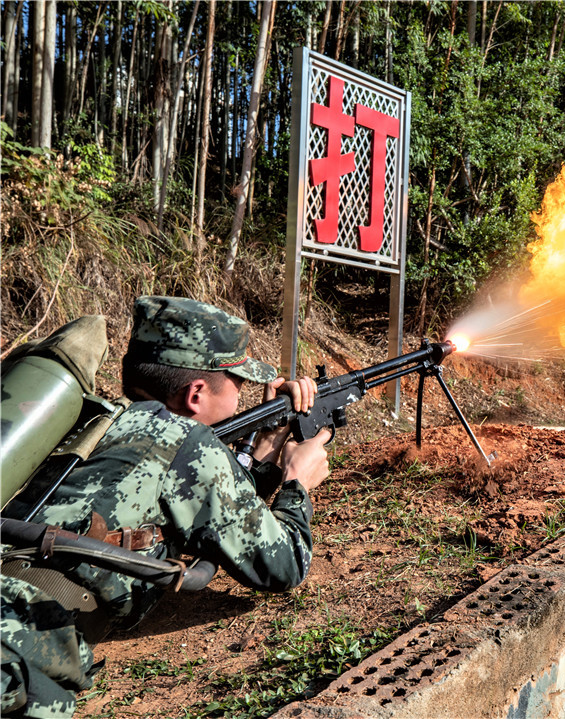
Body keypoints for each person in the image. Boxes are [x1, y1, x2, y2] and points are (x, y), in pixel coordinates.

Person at [1, 296, 332, 718]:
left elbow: (195, 507)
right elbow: (281, 563)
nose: (242, 396)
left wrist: (263, 451)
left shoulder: (95, 421)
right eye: (237, 384)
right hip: (18, 643)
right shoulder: (185, 440)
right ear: (196, 393)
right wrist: (296, 481)